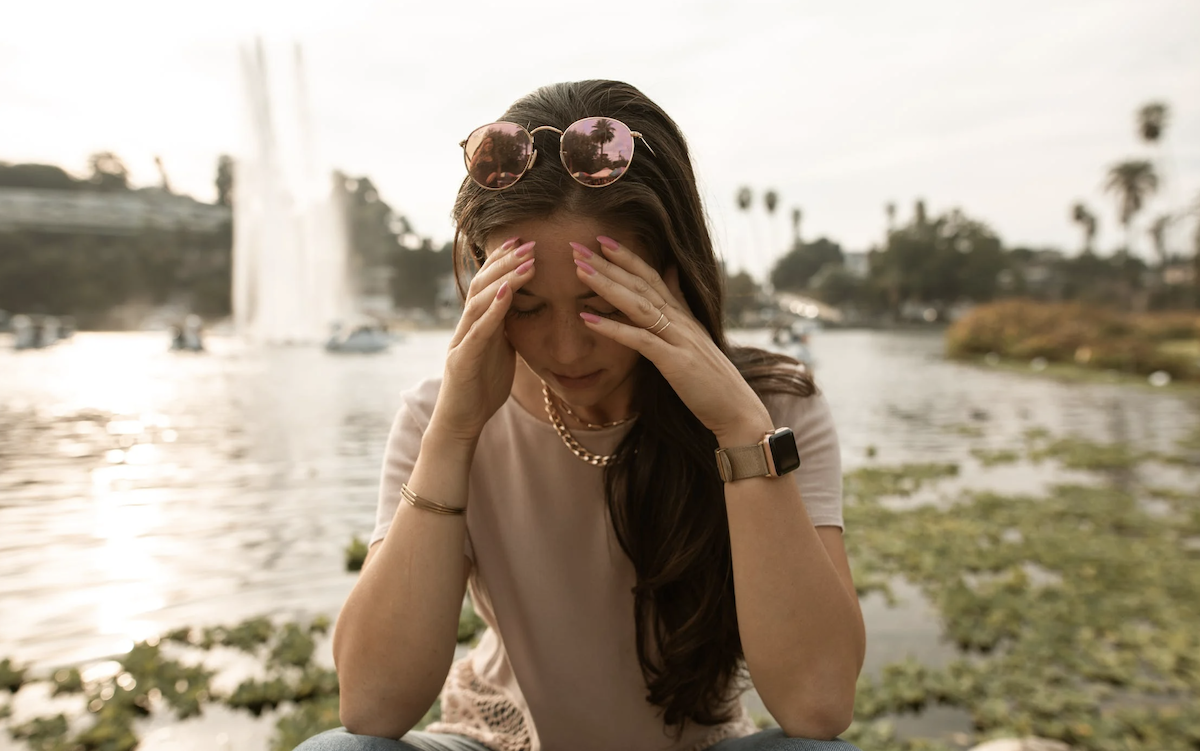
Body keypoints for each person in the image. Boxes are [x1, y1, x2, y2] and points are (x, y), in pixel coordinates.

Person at [298, 80, 865, 751]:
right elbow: (371, 705)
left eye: (605, 300)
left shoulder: (772, 406)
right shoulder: (440, 415)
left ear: (673, 273)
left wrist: (740, 434)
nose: (566, 349)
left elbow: (819, 704)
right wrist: (452, 435)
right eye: (529, 307)